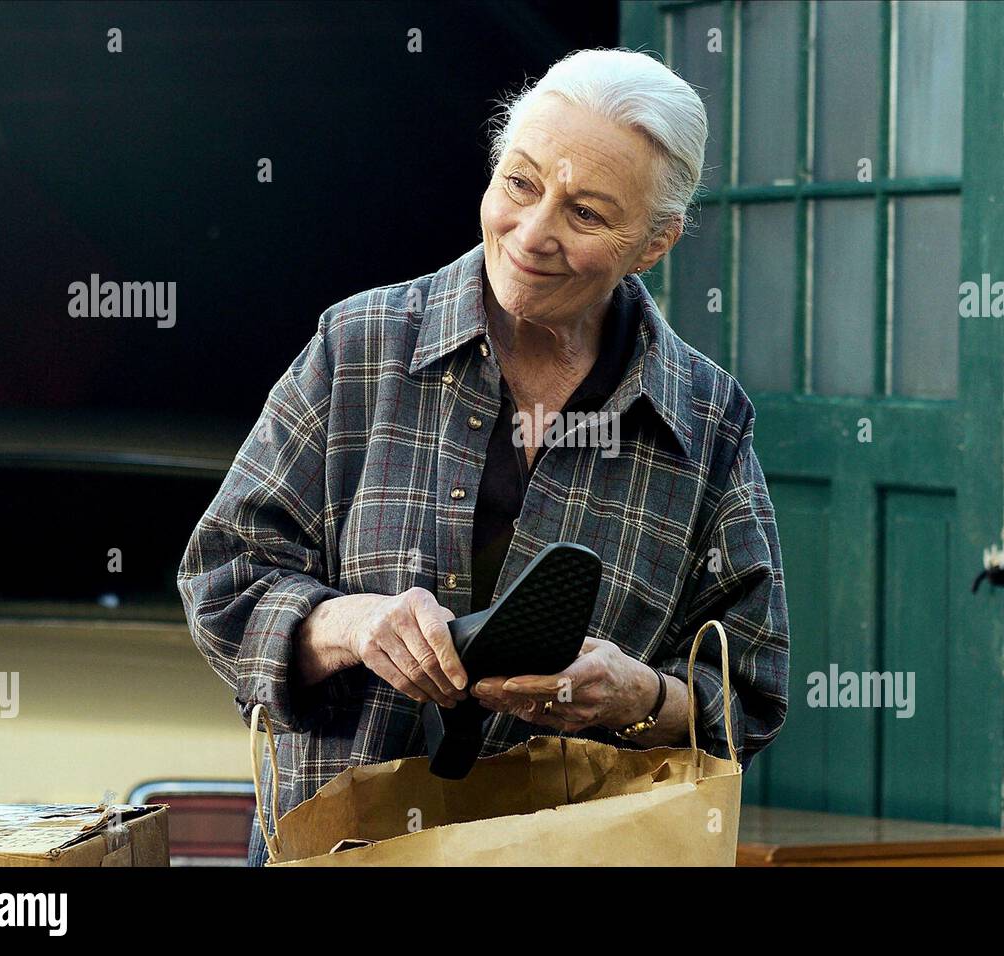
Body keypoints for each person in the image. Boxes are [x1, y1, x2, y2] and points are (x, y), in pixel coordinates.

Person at [177, 48, 790, 866]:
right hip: (342, 852)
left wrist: (637, 696)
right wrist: (351, 625)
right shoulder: (359, 350)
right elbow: (222, 580)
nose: (533, 235)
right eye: (521, 184)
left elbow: (749, 693)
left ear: (655, 243)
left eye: (587, 214)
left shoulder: (707, 423)